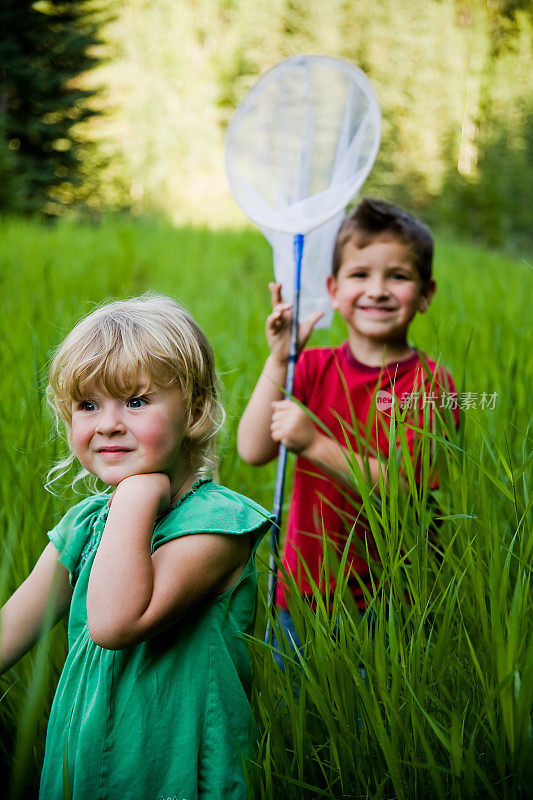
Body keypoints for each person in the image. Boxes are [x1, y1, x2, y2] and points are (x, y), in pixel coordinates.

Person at [0, 294, 272, 800]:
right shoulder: (83, 527)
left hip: (178, 774)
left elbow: (114, 624)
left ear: (194, 411)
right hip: (83, 769)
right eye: (87, 405)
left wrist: (137, 492)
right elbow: (10, 629)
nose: (107, 424)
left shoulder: (219, 525)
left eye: (136, 401)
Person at [237, 197, 459, 658]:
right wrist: (280, 358)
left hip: (389, 598)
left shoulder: (429, 383)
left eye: (397, 276)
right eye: (360, 275)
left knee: (371, 719)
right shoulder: (314, 367)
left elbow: (407, 491)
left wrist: (315, 444)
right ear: (333, 289)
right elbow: (252, 447)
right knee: (305, 719)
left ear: (426, 293)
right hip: (302, 591)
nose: (377, 290)